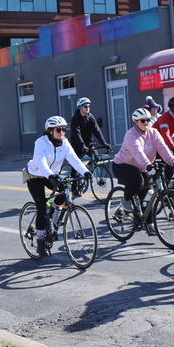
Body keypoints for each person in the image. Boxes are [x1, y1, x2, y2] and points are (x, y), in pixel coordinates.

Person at [24, 116, 90, 257]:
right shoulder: (41, 142)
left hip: (52, 174)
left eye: (64, 129)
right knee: (41, 207)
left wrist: (85, 171)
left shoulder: (64, 142)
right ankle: (40, 242)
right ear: (50, 131)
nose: (62, 133)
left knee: (65, 193)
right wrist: (50, 176)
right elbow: (41, 161)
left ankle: (53, 212)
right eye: (58, 130)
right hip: (35, 175)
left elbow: (73, 158)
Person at [112, 107, 174, 232]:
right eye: (143, 120)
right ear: (136, 122)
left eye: (148, 120)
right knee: (137, 182)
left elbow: (163, 148)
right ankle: (125, 200)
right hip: (123, 165)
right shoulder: (131, 135)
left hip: (143, 166)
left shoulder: (154, 133)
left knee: (149, 194)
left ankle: (150, 225)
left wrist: (173, 161)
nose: (146, 122)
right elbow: (138, 153)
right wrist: (148, 165)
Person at [67, 97, 109, 197]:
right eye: (86, 106)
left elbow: (97, 131)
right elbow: (76, 134)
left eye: (89, 106)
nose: (88, 108)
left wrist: (104, 144)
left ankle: (86, 169)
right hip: (77, 145)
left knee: (96, 158)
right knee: (76, 165)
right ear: (80, 107)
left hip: (88, 144)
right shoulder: (75, 119)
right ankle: (74, 189)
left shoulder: (90, 117)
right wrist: (82, 146)